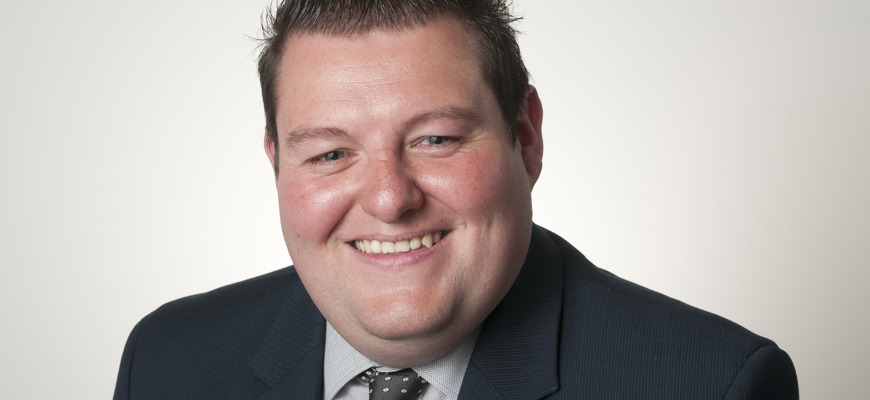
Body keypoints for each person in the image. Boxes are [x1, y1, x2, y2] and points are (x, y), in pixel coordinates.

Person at [113, 0, 799, 399]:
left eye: (435, 139)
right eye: (329, 154)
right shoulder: (168, 363)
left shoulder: (710, 384)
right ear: (276, 164)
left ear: (525, 138)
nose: (389, 198)